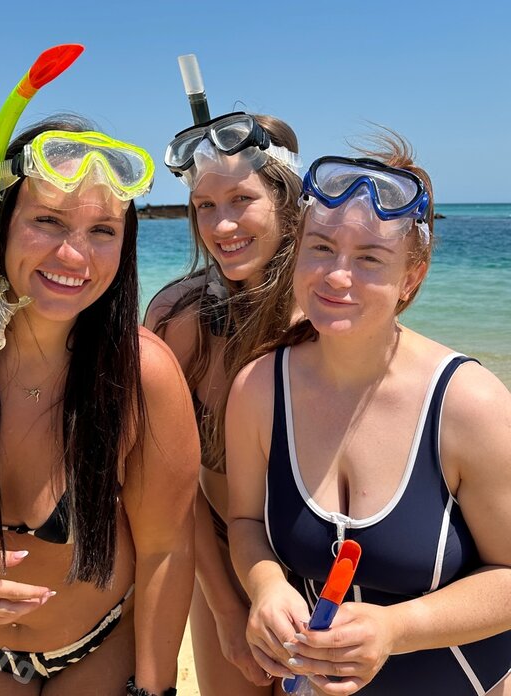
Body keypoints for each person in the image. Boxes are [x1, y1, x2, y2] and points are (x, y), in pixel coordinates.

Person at [0, 113, 199, 696]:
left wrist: (154, 690)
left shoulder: (141, 375)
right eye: (48, 220)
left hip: (100, 646)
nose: (74, 256)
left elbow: (166, 549)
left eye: (103, 230)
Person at [226, 135, 511, 695]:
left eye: (370, 259)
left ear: (412, 277)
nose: (337, 276)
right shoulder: (259, 389)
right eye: (321, 248)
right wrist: (266, 587)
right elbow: (245, 523)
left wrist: (396, 628)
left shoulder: (468, 403)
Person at [145, 111, 304, 695]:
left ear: (288, 203)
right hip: (220, 563)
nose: (222, 224)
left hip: (326, 564)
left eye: (241, 199)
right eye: (204, 205)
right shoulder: (178, 321)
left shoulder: (330, 313)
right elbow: (171, 485)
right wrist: (226, 610)